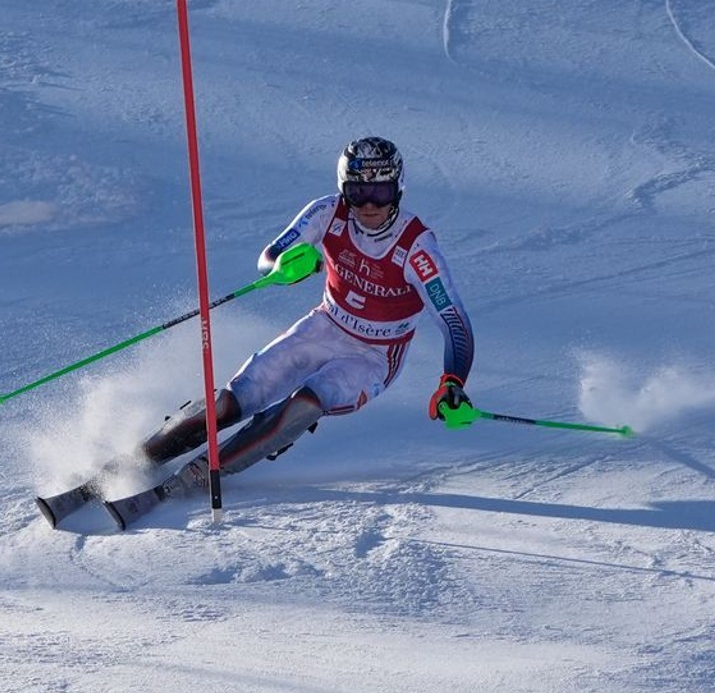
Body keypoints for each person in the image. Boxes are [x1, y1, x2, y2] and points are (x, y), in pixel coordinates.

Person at [139, 136, 475, 498]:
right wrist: (287, 265)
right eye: (357, 191)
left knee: (305, 405)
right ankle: (140, 458)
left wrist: (453, 381)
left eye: (381, 192)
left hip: (374, 356)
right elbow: (270, 256)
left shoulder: (417, 248)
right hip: (325, 325)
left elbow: (455, 323)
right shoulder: (327, 212)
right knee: (233, 400)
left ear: (399, 189)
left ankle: (201, 473)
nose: (368, 204)